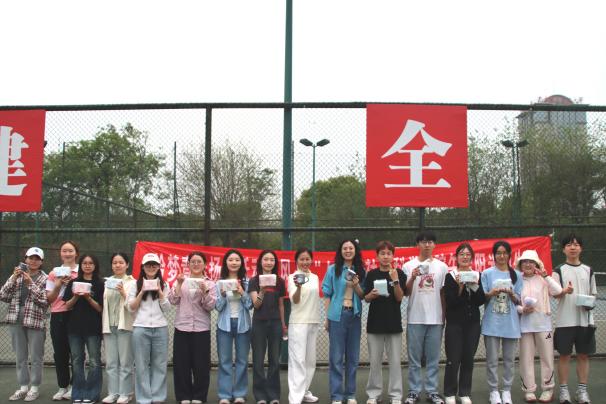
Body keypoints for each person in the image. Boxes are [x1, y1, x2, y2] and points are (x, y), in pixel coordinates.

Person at [403, 231, 448, 404]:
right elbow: (406, 292)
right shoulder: (408, 266)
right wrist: (413, 277)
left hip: (435, 319)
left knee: (433, 359)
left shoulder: (442, 267)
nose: (427, 245)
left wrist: (443, 316)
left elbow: (443, 293)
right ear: (417, 244)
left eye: (430, 242)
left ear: (434, 245)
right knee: (414, 359)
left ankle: (432, 391)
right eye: (423, 241)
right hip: (415, 318)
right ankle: (413, 391)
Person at [552, 234, 596, 404]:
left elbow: (593, 295)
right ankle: (564, 391)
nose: (573, 247)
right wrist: (564, 291)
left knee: (583, 356)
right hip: (565, 321)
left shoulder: (589, 270)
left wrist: (589, 304)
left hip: (585, 321)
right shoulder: (558, 271)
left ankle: (581, 391)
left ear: (581, 248)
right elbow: (554, 294)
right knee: (564, 356)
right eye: (569, 244)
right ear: (563, 249)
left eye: (576, 244)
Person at [0, 247, 48, 402]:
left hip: (35, 320)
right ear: (25, 259)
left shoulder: (46, 279)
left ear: (41, 262)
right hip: (16, 318)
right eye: (30, 258)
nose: (33, 261)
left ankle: (34, 388)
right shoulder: (17, 275)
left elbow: (44, 301)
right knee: (20, 356)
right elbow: (3, 295)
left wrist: (30, 284)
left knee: (36, 356)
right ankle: (23, 387)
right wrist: (14, 277)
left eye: (37, 259)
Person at [168, 251, 217, 404]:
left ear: (205, 264)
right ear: (188, 264)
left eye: (199, 261)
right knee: (181, 364)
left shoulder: (210, 283)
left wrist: (205, 292)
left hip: (201, 328)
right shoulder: (182, 280)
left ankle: (199, 396)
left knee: (201, 364)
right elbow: (172, 300)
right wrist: (179, 283)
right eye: (193, 262)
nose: (196, 264)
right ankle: (183, 396)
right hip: (182, 327)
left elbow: (210, 306)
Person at [323, 239, 367, 404]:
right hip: (337, 315)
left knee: (353, 358)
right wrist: (327, 317)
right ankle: (336, 396)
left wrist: (356, 285)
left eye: (351, 248)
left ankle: (350, 394)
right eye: (345, 248)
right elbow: (327, 294)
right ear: (340, 251)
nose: (348, 251)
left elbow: (362, 295)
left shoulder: (360, 270)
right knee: (336, 357)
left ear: (355, 251)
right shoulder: (333, 269)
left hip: (354, 315)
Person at [515, 250, 562, 403]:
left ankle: (548, 389)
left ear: (536, 264)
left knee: (547, 358)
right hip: (524, 326)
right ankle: (529, 390)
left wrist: (546, 276)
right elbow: (513, 304)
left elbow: (558, 291)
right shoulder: (516, 280)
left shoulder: (543, 279)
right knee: (526, 359)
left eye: (531, 261)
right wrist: (522, 309)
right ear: (520, 264)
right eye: (524, 261)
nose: (528, 264)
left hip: (543, 325)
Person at [363, 241, 406, 404]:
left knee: (395, 362)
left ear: (393, 256)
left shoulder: (398, 273)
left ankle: (396, 395)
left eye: (389, 253)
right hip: (375, 324)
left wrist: (395, 281)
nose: (386, 256)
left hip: (393, 324)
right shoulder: (371, 274)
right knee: (375, 362)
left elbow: (399, 297)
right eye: (382, 253)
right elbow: (366, 298)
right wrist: (372, 295)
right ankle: (374, 394)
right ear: (377, 256)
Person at [442, 243, 485, 404]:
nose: (465, 257)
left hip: (472, 323)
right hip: (454, 323)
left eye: (468, 254)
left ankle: (464, 392)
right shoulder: (451, 276)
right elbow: (451, 302)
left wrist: (473, 285)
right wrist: (460, 287)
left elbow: (480, 300)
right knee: (453, 359)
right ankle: (449, 393)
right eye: (462, 254)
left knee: (468, 358)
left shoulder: (477, 275)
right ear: (456, 257)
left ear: (472, 258)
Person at [481, 240, 523, 404]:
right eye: (498, 253)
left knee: (509, 361)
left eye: (504, 253)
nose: (501, 256)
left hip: (511, 324)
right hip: (491, 323)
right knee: (492, 360)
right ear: (494, 255)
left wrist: (511, 294)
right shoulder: (486, 273)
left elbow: (519, 299)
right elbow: (482, 297)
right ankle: (493, 391)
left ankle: (506, 391)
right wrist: (491, 293)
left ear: (509, 255)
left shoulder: (517, 275)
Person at [128, 253, 170, 404]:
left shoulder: (164, 285)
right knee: (141, 364)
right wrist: (142, 292)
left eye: (154, 265)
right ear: (143, 267)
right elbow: (131, 307)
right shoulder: (135, 285)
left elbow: (167, 308)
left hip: (160, 328)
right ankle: (144, 398)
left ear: (158, 267)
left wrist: (160, 292)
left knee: (160, 364)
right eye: (148, 265)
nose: (151, 268)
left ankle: (158, 397)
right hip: (140, 328)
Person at [63, 254, 104, 404]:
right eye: (85, 263)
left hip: (93, 328)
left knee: (94, 361)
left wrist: (87, 297)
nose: (87, 265)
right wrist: (75, 296)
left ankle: (92, 394)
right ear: (81, 265)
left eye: (91, 263)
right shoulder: (73, 282)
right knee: (77, 361)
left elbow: (100, 308)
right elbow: (67, 305)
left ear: (95, 265)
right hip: (74, 328)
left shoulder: (100, 284)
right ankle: (77, 393)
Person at [248, 250, 287, 404]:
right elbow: (256, 305)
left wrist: (283, 324)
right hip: (259, 324)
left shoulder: (280, 281)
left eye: (272, 260)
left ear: (275, 263)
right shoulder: (254, 281)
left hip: (276, 324)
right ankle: (260, 396)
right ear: (261, 261)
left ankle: (274, 395)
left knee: (275, 361)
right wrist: (262, 291)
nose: (269, 262)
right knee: (258, 361)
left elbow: (281, 305)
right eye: (266, 259)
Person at [215, 249, 252, 404]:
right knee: (225, 360)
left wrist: (242, 292)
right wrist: (223, 295)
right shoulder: (219, 283)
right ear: (226, 263)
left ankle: (239, 394)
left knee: (242, 360)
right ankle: (225, 395)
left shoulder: (247, 282)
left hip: (243, 325)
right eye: (231, 260)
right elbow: (217, 307)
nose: (234, 262)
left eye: (237, 260)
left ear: (241, 263)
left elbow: (250, 305)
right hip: (224, 325)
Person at [46, 240, 80, 401]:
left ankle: (75, 386)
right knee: (60, 353)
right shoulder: (53, 273)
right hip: (58, 316)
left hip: (76, 316)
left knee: (76, 353)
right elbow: (49, 299)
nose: (67, 253)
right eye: (64, 251)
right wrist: (58, 285)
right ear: (60, 253)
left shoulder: (81, 272)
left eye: (70, 251)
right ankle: (62, 386)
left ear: (76, 253)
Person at [101, 253, 137, 404]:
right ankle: (113, 393)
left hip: (125, 326)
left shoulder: (133, 282)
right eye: (115, 262)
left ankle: (126, 393)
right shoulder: (106, 282)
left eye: (121, 262)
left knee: (125, 362)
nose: (117, 265)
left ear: (127, 265)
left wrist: (123, 293)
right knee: (111, 362)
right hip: (109, 326)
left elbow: (134, 306)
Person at [288, 247, 321, 404]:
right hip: (298, 323)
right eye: (302, 259)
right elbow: (295, 300)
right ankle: (295, 398)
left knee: (310, 361)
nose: (305, 262)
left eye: (307, 259)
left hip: (313, 321)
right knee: (298, 360)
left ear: (311, 260)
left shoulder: (315, 277)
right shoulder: (292, 277)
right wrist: (299, 287)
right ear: (297, 261)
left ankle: (304, 391)